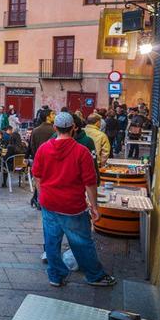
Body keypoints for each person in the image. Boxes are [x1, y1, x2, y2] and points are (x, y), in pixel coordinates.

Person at [32, 112, 116, 287]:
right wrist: (94, 207)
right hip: (72, 206)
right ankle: (94, 275)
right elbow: (90, 182)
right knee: (82, 242)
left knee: (51, 242)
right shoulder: (81, 151)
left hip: (49, 203)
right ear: (74, 128)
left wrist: (41, 196)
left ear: (55, 128)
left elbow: (37, 176)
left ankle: (56, 276)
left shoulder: (44, 149)